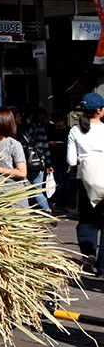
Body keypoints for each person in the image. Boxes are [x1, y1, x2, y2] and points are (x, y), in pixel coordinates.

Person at [68, 93, 104, 276]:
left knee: (87, 221)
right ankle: (103, 267)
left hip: (86, 181)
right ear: (100, 111)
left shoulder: (76, 131)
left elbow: (71, 160)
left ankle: (88, 253)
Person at [18, 108, 53, 212]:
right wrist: (48, 163)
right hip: (39, 162)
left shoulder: (20, 130)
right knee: (37, 188)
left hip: (24, 163)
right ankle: (46, 208)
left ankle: (25, 210)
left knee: (23, 188)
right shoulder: (40, 128)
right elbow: (45, 146)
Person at [48, 111, 71, 210]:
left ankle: (64, 202)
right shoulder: (52, 130)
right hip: (55, 159)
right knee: (57, 181)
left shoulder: (69, 131)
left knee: (65, 181)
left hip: (65, 159)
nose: (58, 124)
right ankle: (57, 201)